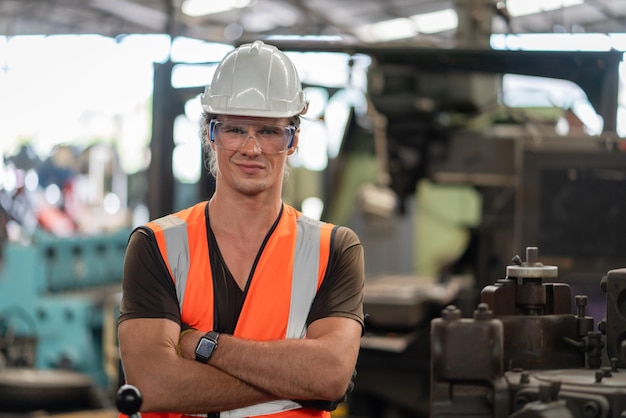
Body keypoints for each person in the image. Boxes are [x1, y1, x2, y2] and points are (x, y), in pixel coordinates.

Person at [117, 40, 365, 418]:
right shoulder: (157, 245)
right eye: (234, 129)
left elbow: (329, 375)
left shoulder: (334, 249)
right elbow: (153, 384)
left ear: (293, 140)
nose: (251, 148)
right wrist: (299, 386)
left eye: (269, 131)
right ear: (210, 135)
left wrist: (205, 346)